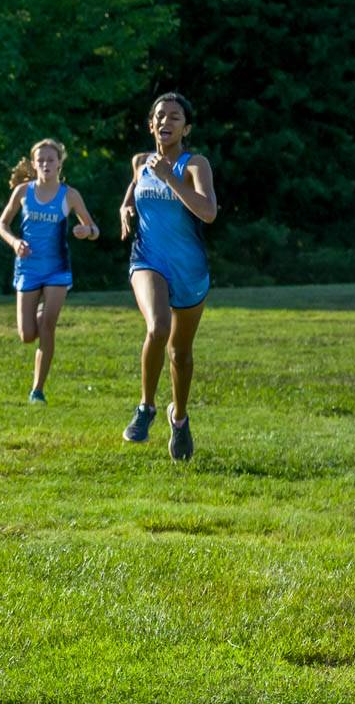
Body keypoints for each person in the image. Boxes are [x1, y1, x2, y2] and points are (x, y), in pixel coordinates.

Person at [119, 92, 217, 460]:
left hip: (189, 268)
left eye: (175, 117)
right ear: (150, 124)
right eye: (160, 116)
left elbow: (208, 212)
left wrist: (169, 178)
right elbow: (136, 187)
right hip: (148, 258)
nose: (166, 121)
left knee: (181, 353)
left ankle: (179, 418)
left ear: (186, 127)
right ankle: (145, 408)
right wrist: (127, 204)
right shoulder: (140, 161)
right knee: (158, 327)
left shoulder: (196, 165)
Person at [0, 138, 99, 404]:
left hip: (57, 271)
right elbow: (2, 224)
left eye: (50, 160)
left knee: (48, 327)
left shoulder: (70, 195)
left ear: (59, 163)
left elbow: (94, 229)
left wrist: (86, 231)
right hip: (28, 270)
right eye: (40, 160)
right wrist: (15, 242)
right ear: (33, 164)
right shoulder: (22, 192)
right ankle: (40, 313)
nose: (45, 164)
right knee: (27, 335)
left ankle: (37, 391)